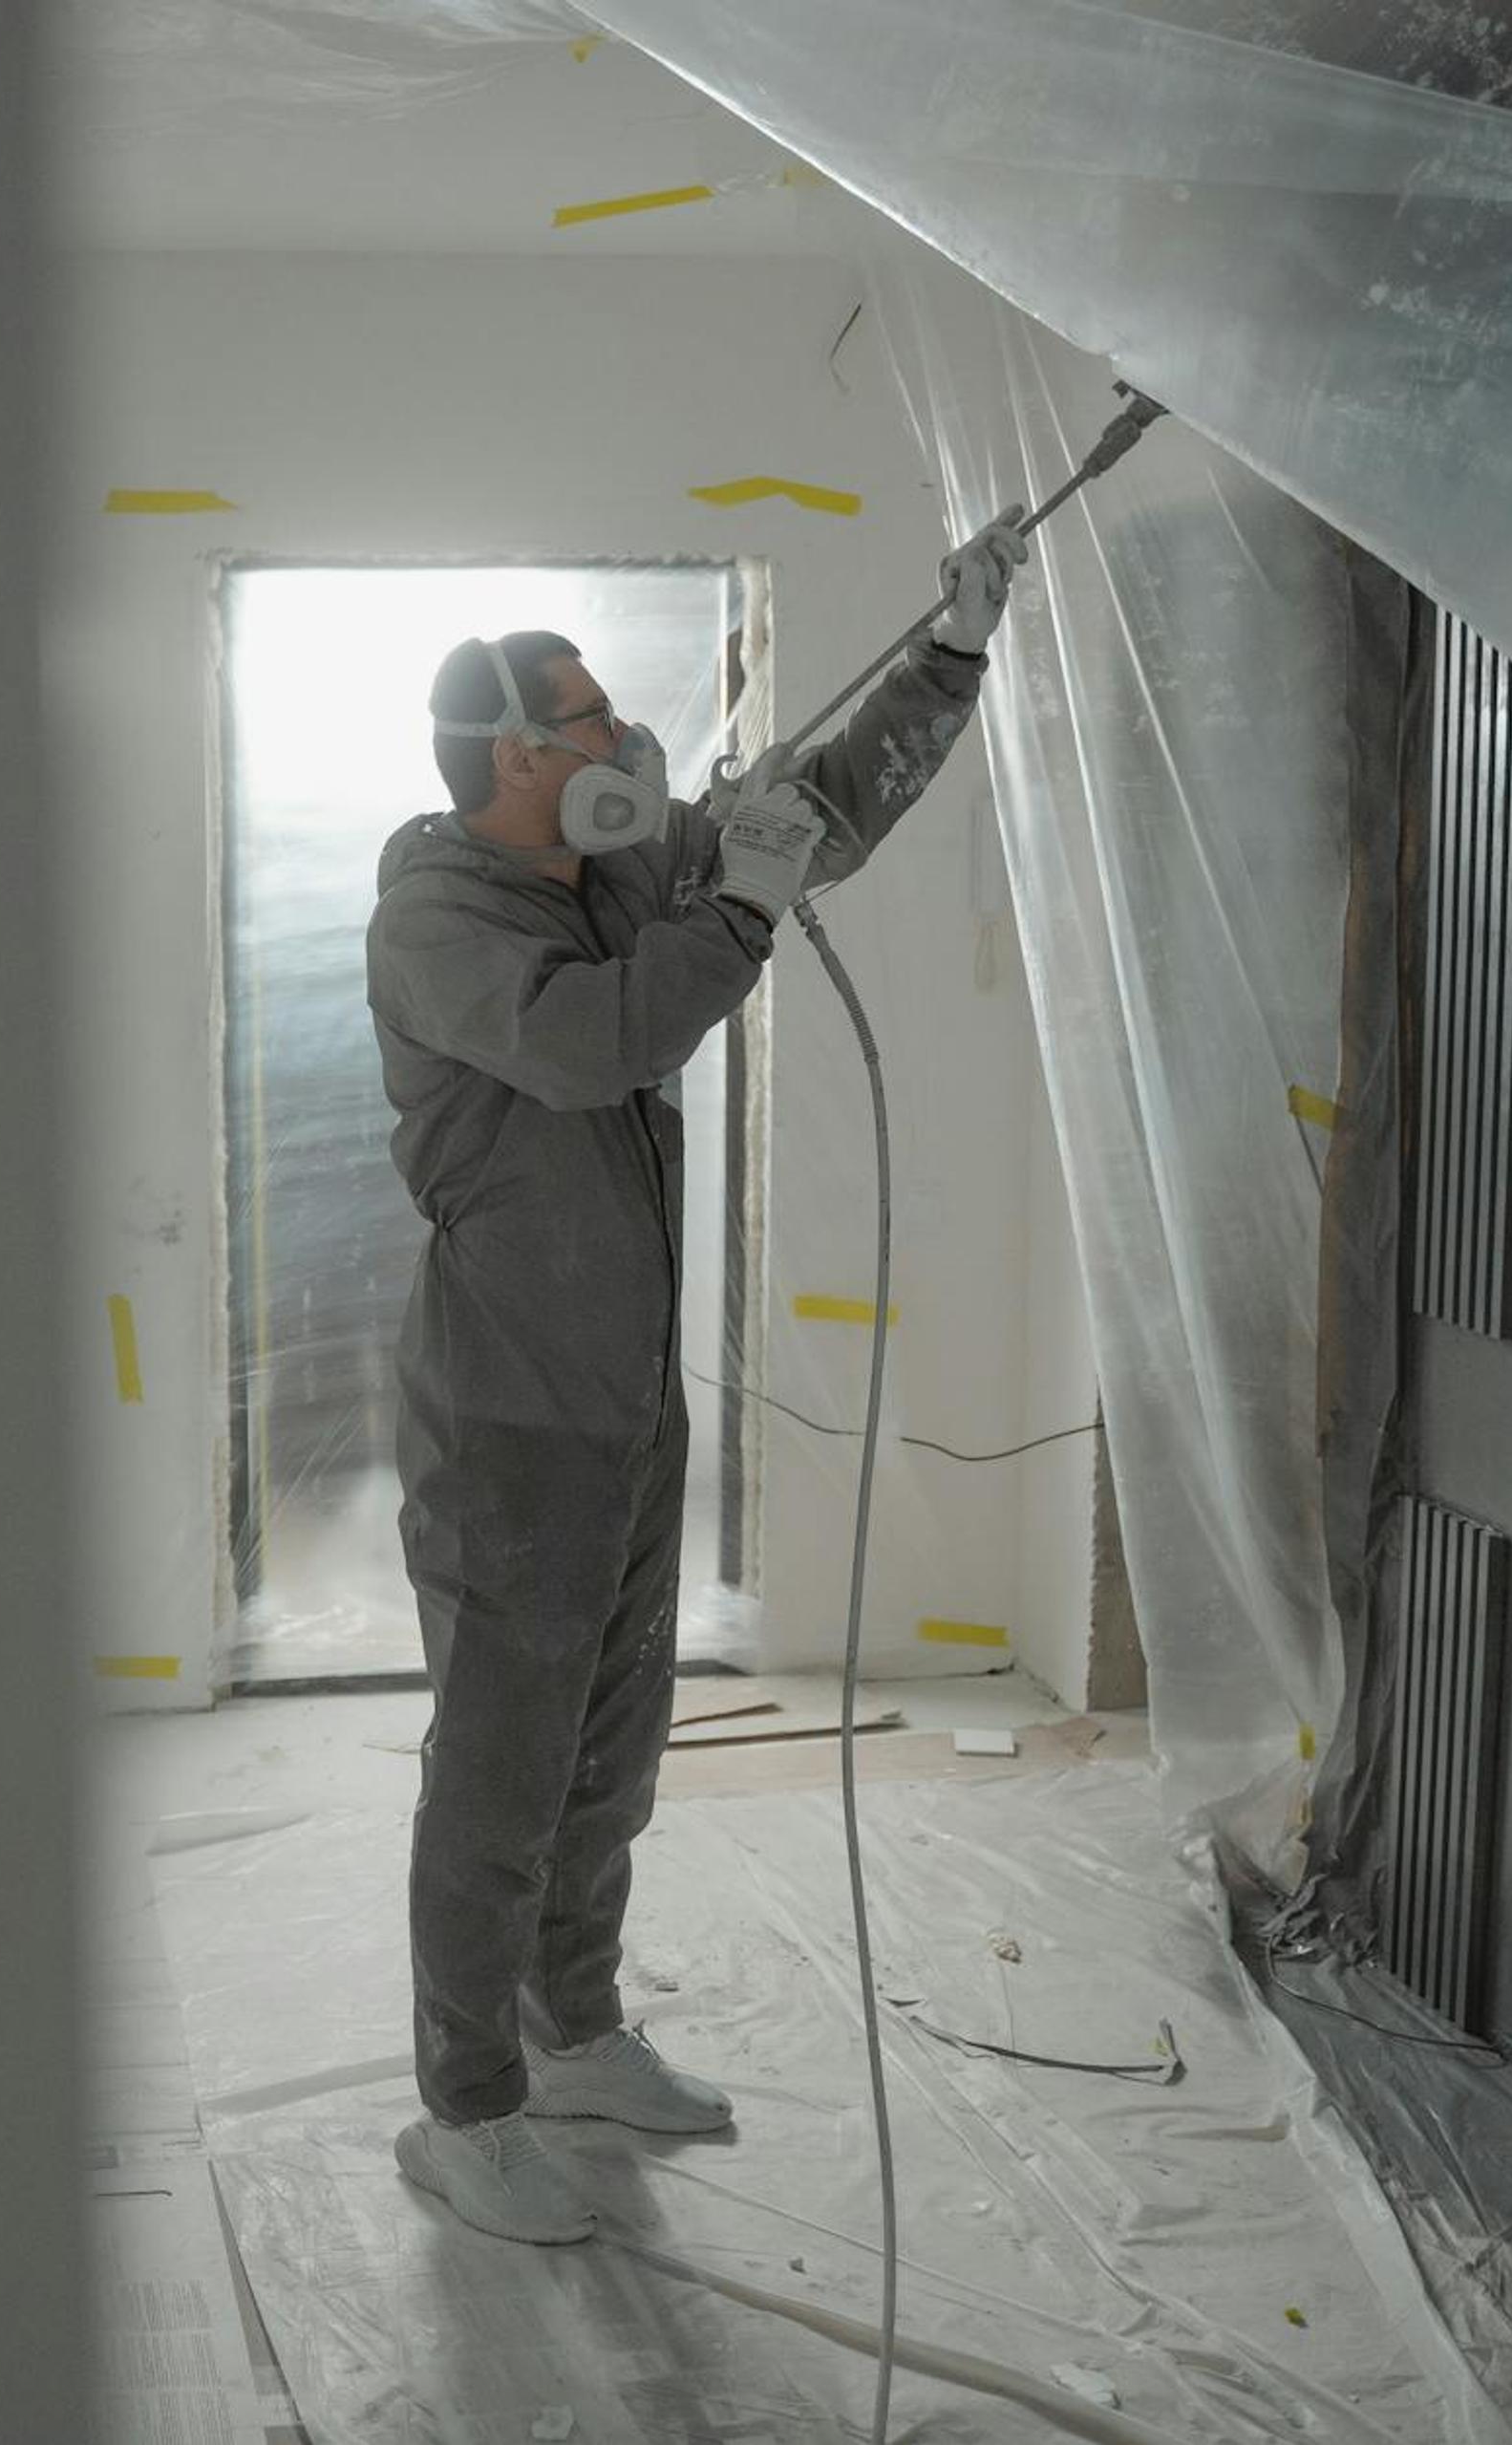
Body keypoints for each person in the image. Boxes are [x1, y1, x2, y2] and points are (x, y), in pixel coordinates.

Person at [361, 512, 1033, 2244]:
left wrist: (948, 654)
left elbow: (799, 816)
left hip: (626, 1402)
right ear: (518, 759)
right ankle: (467, 2105)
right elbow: (596, 1044)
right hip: (509, 1411)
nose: (626, 746)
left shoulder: (611, 871)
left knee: (612, 1747)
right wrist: (730, 895)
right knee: (503, 1766)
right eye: (591, 724)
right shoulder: (439, 913)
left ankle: (568, 2030)